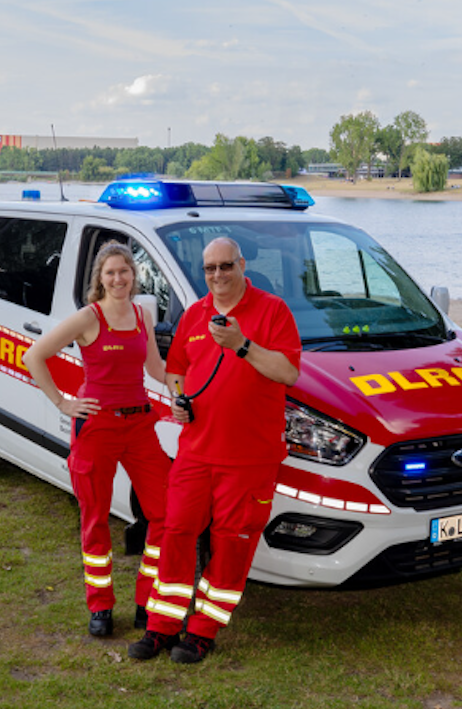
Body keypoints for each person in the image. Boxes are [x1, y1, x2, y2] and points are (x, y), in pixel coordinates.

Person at [129, 237, 301, 664]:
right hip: (196, 452)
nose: (218, 275)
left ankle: (203, 631)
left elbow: (288, 372)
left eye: (226, 266)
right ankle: (161, 626)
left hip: (250, 458)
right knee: (175, 532)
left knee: (232, 544)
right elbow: (176, 370)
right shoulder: (195, 313)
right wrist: (179, 399)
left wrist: (242, 344)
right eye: (210, 268)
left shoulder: (273, 311)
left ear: (242, 265)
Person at [21, 242, 170, 639]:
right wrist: (62, 402)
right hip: (97, 427)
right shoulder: (89, 317)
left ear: (133, 275)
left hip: (140, 426)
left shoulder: (142, 315)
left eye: (124, 271)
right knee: (95, 517)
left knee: (165, 513)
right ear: (100, 279)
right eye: (111, 273)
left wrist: (191, 386)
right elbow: (34, 356)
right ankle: (100, 605)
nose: (119, 278)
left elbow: (156, 368)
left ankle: (148, 601)